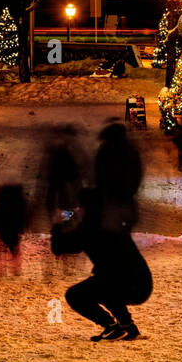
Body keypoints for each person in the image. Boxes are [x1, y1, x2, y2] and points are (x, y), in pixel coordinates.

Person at [64, 125, 151, 340]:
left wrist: (59, 225)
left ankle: (113, 325)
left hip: (130, 283)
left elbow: (66, 246)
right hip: (140, 281)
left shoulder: (94, 229)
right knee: (105, 282)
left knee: (81, 293)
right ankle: (126, 326)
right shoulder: (107, 224)